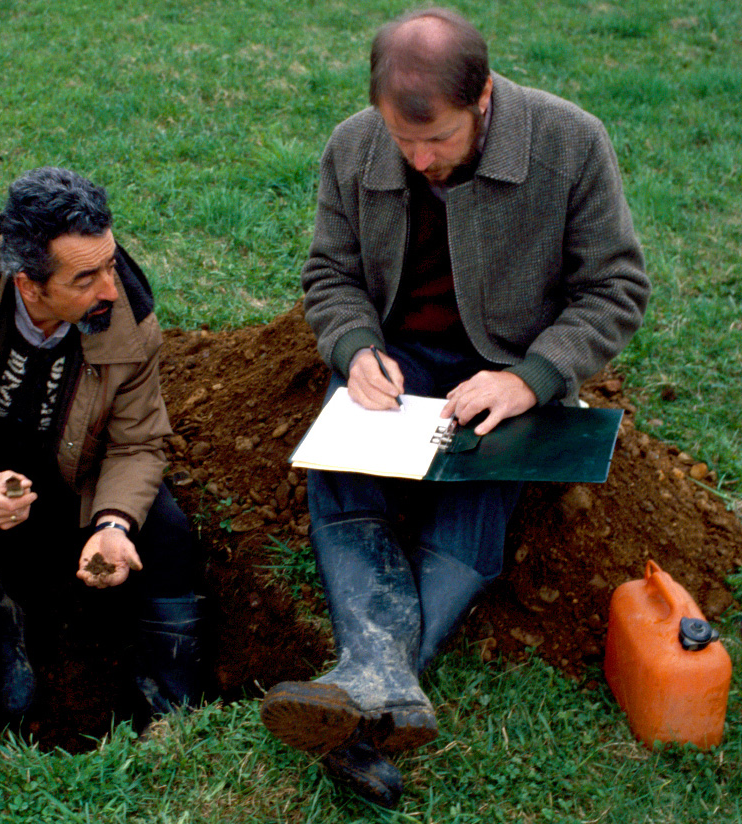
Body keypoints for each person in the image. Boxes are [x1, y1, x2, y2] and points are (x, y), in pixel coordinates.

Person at [260, 8, 650, 808]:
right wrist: (354, 348)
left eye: (436, 138)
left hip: (503, 368)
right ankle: (383, 685)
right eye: (401, 139)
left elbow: (616, 290)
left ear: (484, 97)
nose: (419, 158)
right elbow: (329, 275)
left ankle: (361, 688)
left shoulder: (571, 142)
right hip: (395, 365)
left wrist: (533, 377)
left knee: (475, 500)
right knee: (338, 475)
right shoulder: (352, 146)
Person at [0, 167, 202, 722]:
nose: (109, 290)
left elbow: (138, 444)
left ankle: (169, 678)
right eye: (85, 279)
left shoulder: (128, 320)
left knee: (166, 533)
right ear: (28, 283)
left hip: (72, 467)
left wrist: (113, 525)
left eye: (110, 264)